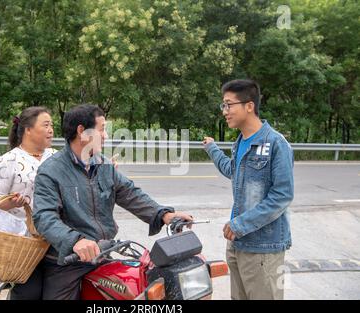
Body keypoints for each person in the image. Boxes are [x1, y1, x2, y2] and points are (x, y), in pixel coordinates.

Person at [32, 104, 193, 300]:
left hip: (103, 254)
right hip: (67, 262)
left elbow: (130, 193)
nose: (106, 135)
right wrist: (75, 241)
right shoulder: (51, 170)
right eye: (101, 129)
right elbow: (44, 217)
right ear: (82, 131)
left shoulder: (103, 164)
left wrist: (165, 215)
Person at [202, 79, 294, 300]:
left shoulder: (275, 143)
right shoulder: (240, 142)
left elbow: (282, 196)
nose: (225, 111)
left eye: (229, 104)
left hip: (263, 247)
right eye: (223, 105)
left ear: (249, 106)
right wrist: (212, 148)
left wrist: (240, 224)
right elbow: (231, 169)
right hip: (237, 244)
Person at [0, 106, 57, 298]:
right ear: (28, 130)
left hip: (56, 237)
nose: (51, 130)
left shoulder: (57, 156)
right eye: (46, 125)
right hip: (24, 244)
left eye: (52, 125)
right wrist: (13, 203)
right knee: (29, 292)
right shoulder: (8, 161)